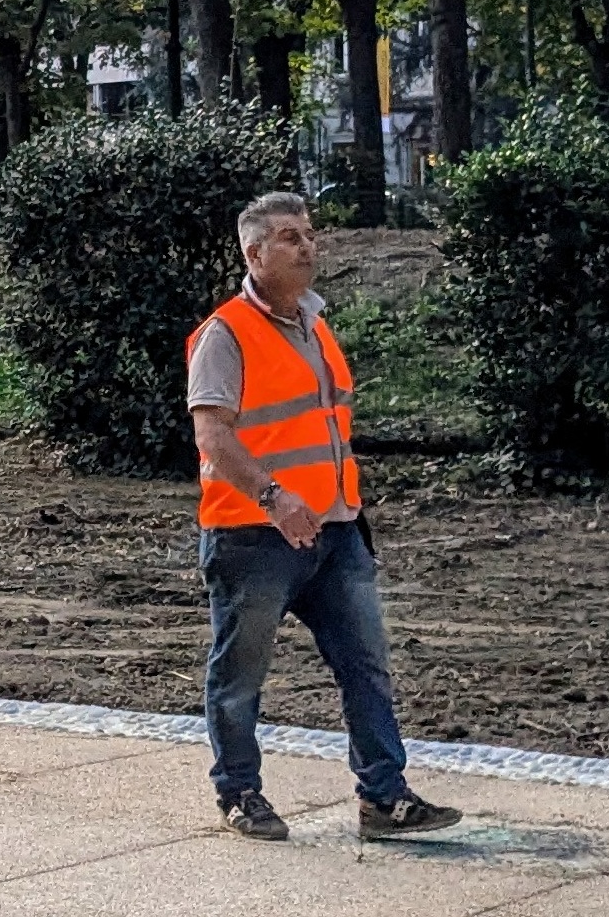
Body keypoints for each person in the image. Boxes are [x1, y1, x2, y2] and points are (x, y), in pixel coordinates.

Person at [187, 190, 462, 844]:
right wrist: (273, 498)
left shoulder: (316, 325)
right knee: (240, 675)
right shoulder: (225, 333)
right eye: (289, 237)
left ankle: (383, 797)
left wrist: (340, 512)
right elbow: (212, 435)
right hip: (253, 537)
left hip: (335, 533)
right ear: (253, 253)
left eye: (309, 234)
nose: (307, 246)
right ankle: (238, 792)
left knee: (366, 666)